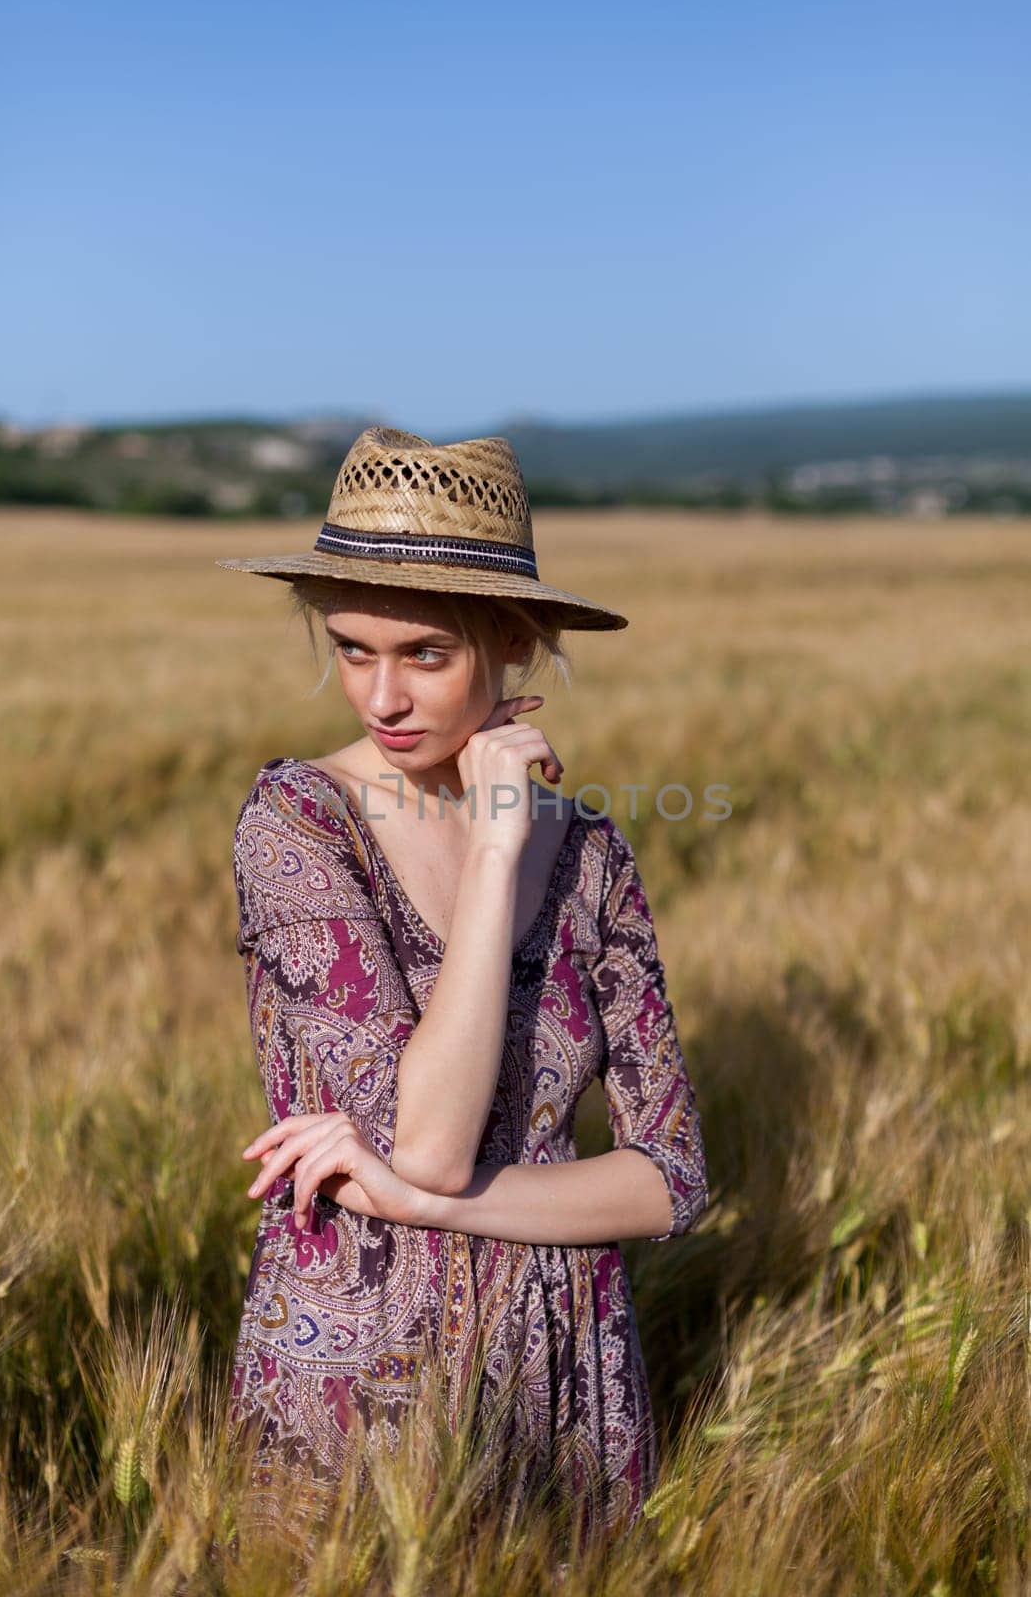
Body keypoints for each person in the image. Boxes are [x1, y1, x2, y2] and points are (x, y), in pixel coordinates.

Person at [215, 426, 709, 1550]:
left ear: (513, 644)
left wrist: (426, 1201)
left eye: (425, 654)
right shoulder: (297, 825)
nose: (380, 697)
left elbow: (667, 1182)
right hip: (356, 1376)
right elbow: (426, 1139)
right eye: (350, 648)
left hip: (567, 1382)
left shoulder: (588, 854)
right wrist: (493, 855)